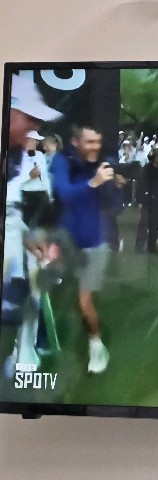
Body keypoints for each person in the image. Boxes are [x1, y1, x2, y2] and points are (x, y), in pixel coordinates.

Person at [50, 124, 124, 374]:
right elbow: (65, 194)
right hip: (64, 242)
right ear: (75, 142)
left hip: (94, 243)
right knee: (45, 291)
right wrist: (93, 182)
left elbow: (116, 206)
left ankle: (96, 345)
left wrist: (114, 186)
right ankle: (35, 343)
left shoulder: (103, 164)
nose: (95, 147)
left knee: (83, 302)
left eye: (98, 142)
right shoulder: (62, 161)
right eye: (90, 142)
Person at [2, 74, 62, 373]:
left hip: (22, 220)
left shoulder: (18, 154)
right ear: (10, 111)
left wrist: (28, 236)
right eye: (29, 117)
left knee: (31, 288)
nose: (35, 126)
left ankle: (24, 356)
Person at [134, 147, 158, 254]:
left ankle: (152, 246)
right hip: (147, 200)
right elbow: (140, 185)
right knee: (143, 224)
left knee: (155, 225)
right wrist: (139, 200)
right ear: (153, 157)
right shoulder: (147, 169)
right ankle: (139, 246)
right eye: (157, 156)